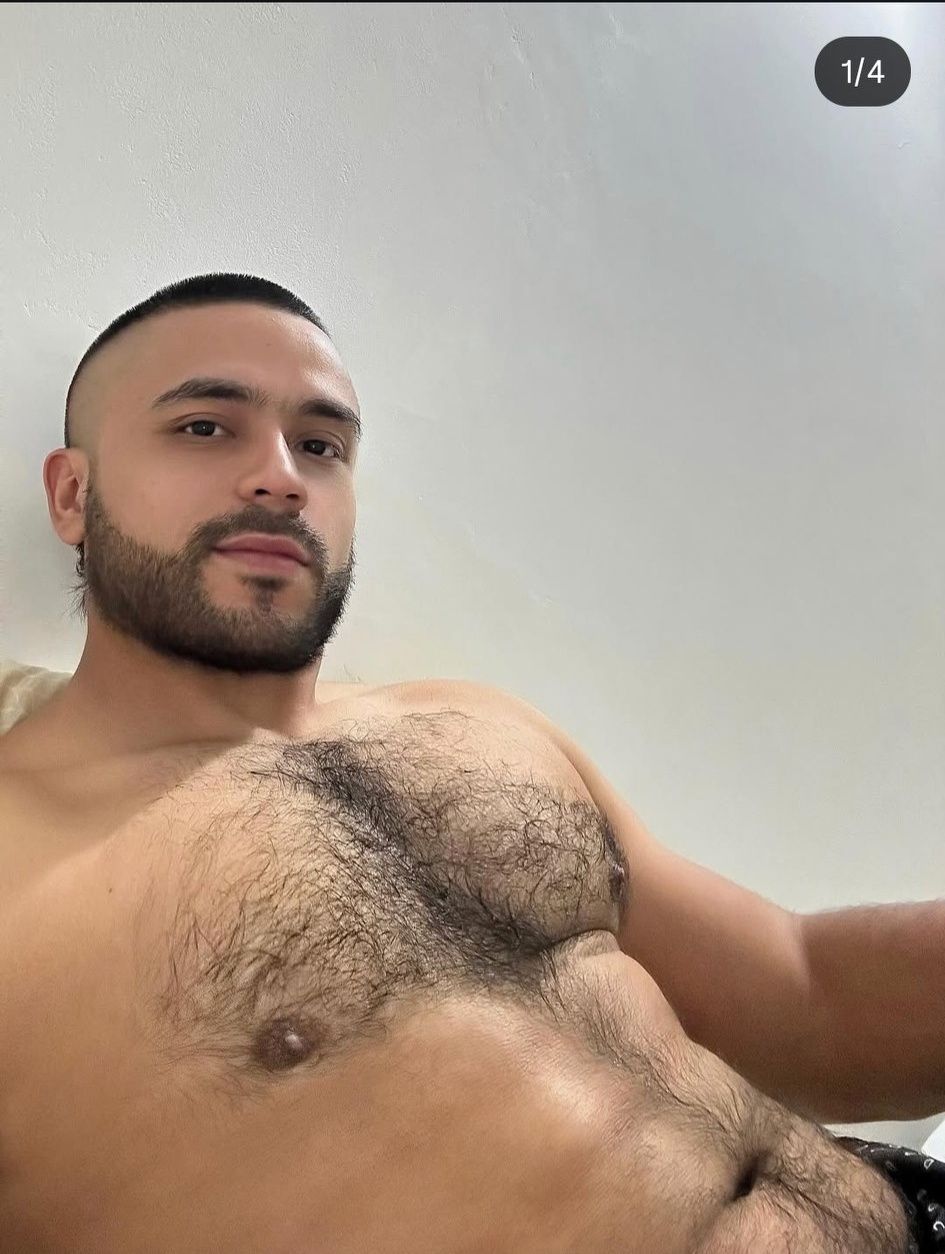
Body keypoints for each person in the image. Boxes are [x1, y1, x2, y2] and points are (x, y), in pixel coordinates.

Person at [0, 272, 941, 1252]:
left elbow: (807, 997)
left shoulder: (472, 726)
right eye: (205, 427)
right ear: (72, 494)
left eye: (321, 445)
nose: (280, 476)